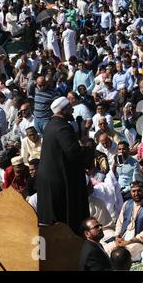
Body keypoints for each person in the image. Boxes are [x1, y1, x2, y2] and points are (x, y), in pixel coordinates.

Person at [37, 96, 94, 234]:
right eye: (70, 108)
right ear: (63, 110)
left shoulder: (51, 125)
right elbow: (74, 153)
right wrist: (88, 146)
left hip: (50, 180)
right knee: (63, 221)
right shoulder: (62, 127)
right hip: (59, 182)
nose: (73, 110)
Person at [111, 181, 143, 261]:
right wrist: (117, 236)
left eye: (139, 190)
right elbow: (119, 222)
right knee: (107, 248)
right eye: (133, 191)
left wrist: (129, 242)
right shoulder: (126, 204)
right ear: (131, 192)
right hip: (123, 238)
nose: (136, 193)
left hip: (137, 241)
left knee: (123, 254)